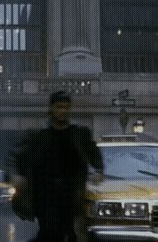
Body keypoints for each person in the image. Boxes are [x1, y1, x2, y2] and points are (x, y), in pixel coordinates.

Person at [6, 91, 104, 242]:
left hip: (71, 191)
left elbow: (94, 154)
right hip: (45, 192)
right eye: (59, 107)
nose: (62, 111)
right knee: (51, 230)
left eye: (66, 107)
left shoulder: (78, 134)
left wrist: (98, 171)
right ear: (51, 108)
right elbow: (14, 155)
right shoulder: (39, 135)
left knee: (70, 232)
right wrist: (14, 175)